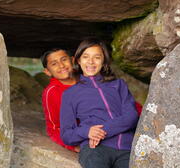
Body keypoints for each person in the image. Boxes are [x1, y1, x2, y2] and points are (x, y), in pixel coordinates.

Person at [60, 38, 139, 168]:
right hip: (95, 149)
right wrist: (87, 131)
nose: (91, 62)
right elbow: (66, 135)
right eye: (85, 57)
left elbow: (131, 117)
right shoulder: (70, 94)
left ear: (104, 61)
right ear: (78, 61)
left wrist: (103, 131)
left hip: (127, 148)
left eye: (97, 57)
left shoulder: (118, 85)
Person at [41, 48, 80, 152]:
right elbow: (53, 128)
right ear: (47, 72)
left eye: (64, 59)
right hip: (79, 135)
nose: (61, 65)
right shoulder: (51, 92)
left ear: (72, 60)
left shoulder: (87, 79)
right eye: (54, 64)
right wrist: (72, 145)